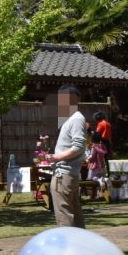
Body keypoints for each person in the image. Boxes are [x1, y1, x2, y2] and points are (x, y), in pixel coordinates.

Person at [45, 86, 87, 228]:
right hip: (67, 174)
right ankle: (83, 247)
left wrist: (56, 157)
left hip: (64, 174)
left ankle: (68, 248)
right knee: (74, 214)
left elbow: (78, 146)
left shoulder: (76, 118)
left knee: (64, 215)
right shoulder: (71, 119)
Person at [86, 131, 108, 197]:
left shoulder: (94, 146)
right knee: (101, 176)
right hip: (101, 165)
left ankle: (100, 180)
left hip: (94, 165)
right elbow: (105, 153)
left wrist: (87, 158)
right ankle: (104, 179)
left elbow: (92, 156)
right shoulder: (102, 146)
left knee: (92, 178)